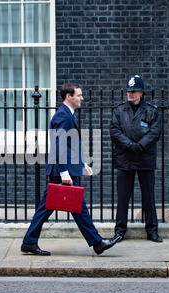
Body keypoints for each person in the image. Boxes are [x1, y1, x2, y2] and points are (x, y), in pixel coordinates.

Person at [21, 82, 122, 256]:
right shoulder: (63, 116)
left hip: (65, 169)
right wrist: (64, 172)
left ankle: (29, 242)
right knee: (78, 207)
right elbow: (59, 144)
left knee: (47, 208)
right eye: (79, 95)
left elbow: (70, 144)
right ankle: (97, 243)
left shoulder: (68, 114)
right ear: (69, 96)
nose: (82, 98)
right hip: (63, 171)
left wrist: (82, 164)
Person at [110, 75, 163, 243]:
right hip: (125, 158)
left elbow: (155, 132)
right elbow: (114, 131)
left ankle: (152, 230)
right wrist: (129, 145)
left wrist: (139, 146)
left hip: (145, 158)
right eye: (128, 91)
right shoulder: (119, 110)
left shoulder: (152, 110)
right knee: (123, 197)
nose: (130, 94)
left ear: (141, 92)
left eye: (133, 91)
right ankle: (119, 231)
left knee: (149, 196)